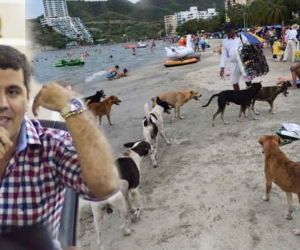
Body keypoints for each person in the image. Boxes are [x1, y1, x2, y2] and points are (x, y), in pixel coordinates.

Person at [0, 45, 119, 249]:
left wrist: (71, 105)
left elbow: (105, 185)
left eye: (12, 91)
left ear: (28, 98)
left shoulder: (52, 146)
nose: (2, 103)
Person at [220, 22, 251, 91]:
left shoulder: (242, 37)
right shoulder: (225, 41)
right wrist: (222, 67)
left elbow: (249, 48)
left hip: (244, 62)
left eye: (228, 31)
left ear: (233, 29)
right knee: (234, 82)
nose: (227, 33)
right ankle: (237, 96)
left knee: (248, 80)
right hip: (233, 63)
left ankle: (250, 94)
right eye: (226, 31)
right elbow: (224, 55)